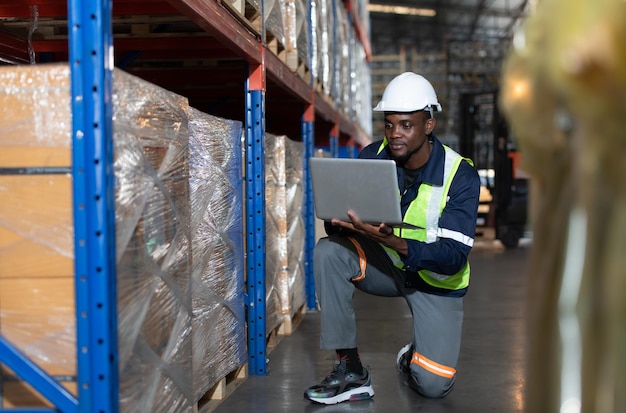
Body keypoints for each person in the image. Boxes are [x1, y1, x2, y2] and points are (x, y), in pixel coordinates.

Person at [304, 72, 481, 405]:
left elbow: (453, 256)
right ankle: (350, 370)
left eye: (405, 125)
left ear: (428, 124)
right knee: (328, 252)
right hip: (388, 267)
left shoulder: (460, 176)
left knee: (432, 386)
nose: (394, 134)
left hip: (435, 281)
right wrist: (343, 224)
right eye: (388, 125)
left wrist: (390, 241)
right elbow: (341, 230)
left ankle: (414, 354)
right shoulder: (374, 157)